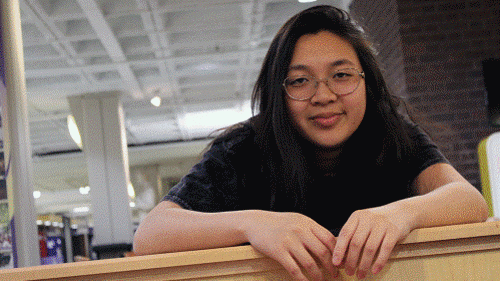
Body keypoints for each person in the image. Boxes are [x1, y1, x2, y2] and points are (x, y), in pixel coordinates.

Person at [133, 5, 488, 280]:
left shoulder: (393, 135)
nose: (324, 95)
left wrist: (400, 214)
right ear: (278, 92)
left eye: (341, 75)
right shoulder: (244, 148)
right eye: (300, 81)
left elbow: (469, 202)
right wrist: (253, 224)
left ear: (367, 81)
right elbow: (151, 233)